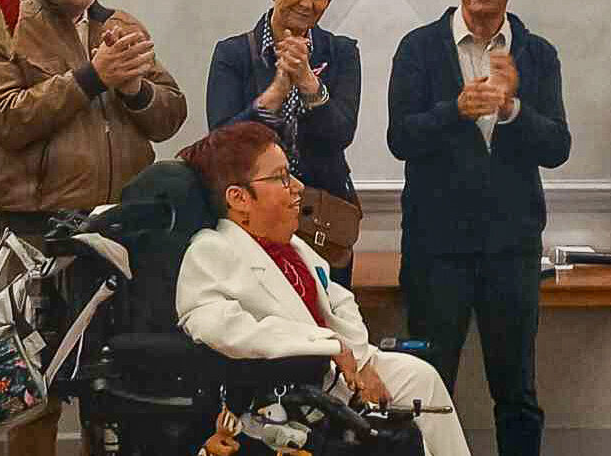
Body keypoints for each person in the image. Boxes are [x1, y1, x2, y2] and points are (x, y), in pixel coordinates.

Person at [0, 0, 187, 453]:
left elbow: (169, 117)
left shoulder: (124, 24)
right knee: (36, 387)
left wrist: (135, 87)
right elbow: (6, 120)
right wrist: (92, 78)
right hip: (42, 234)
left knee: (120, 385)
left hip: (122, 232)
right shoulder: (0, 26)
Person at [176, 121, 470, 456]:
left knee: (420, 376)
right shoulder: (211, 250)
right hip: (288, 389)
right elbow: (224, 330)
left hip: (337, 369)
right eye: (281, 177)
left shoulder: (292, 245)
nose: (298, 187)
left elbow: (339, 301)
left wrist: (358, 362)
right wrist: (328, 345)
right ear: (239, 197)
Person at [387, 0, 571, 456]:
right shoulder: (419, 48)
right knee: (425, 384)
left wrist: (511, 110)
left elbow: (557, 146)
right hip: (435, 250)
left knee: (516, 391)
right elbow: (400, 138)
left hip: (511, 250)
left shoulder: (537, 54)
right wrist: (457, 111)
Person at [205, 0, 360, 288]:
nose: (307, 3)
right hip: (250, 216)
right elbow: (221, 142)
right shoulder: (233, 54)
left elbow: (340, 134)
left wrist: (308, 83)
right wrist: (276, 90)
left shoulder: (342, 53)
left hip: (323, 218)